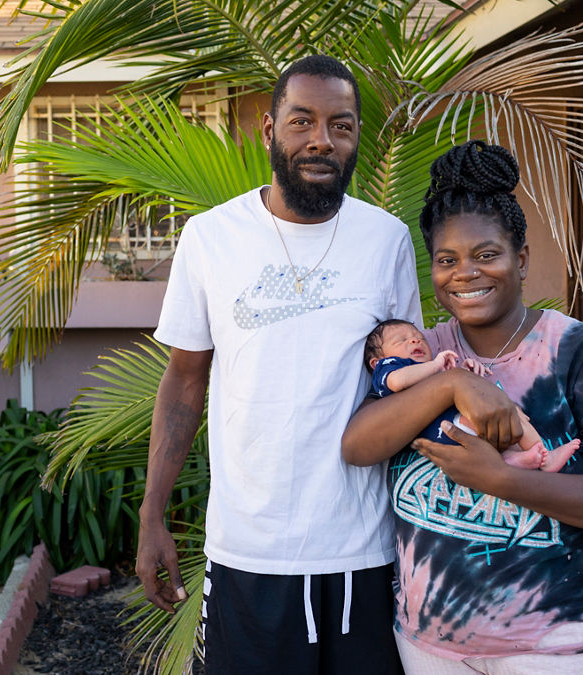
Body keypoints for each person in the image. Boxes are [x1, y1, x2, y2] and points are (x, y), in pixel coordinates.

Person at [139, 54, 422, 674]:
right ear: (270, 131)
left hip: (363, 550)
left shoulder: (386, 240)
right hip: (248, 551)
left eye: (341, 125)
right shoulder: (211, 238)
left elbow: (404, 382)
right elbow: (185, 379)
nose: (322, 139)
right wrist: (152, 513)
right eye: (303, 121)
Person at [342, 140, 583, 674]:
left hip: (563, 648)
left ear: (522, 257)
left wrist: (502, 480)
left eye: (486, 254)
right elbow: (357, 444)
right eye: (447, 260)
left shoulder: (575, 351)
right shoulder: (420, 351)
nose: (465, 273)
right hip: (431, 649)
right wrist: (449, 384)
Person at [364, 318, 579, 472]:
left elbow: (455, 389)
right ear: (377, 361)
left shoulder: (430, 370)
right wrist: (437, 365)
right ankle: (545, 457)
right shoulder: (388, 369)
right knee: (504, 414)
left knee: (506, 417)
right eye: (401, 340)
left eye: (419, 338)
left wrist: (465, 371)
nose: (415, 341)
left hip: (456, 424)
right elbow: (399, 381)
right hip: (446, 430)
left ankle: (515, 459)